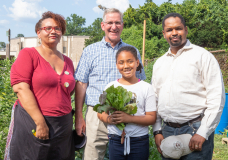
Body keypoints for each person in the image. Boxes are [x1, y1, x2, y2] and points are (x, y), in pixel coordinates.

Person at [74, 8, 146, 160]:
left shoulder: (132, 51)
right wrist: (79, 116)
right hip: (96, 112)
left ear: (122, 25)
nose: (114, 26)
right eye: (110, 23)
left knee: (125, 154)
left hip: (125, 113)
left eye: (117, 23)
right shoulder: (90, 51)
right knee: (93, 155)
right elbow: (81, 84)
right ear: (102, 25)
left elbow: (140, 82)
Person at [152, 13, 225, 160]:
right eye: (169, 30)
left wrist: (203, 132)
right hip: (167, 132)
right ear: (164, 33)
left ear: (186, 29)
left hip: (195, 131)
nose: (174, 33)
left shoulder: (202, 56)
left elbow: (216, 97)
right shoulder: (159, 63)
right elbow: (154, 99)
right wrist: (157, 131)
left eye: (178, 28)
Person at [8, 11, 75, 160]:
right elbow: (21, 88)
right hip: (35, 120)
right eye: (48, 28)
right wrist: (40, 122)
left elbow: (65, 92)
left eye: (58, 28)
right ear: (38, 32)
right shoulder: (29, 54)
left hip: (63, 124)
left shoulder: (68, 61)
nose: (54, 31)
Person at [97, 46, 156, 160]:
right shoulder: (110, 87)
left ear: (137, 63)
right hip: (116, 139)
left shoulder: (146, 88)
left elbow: (151, 118)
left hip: (139, 141)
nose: (126, 66)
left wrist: (128, 118)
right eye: (121, 62)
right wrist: (109, 119)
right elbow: (100, 112)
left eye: (130, 61)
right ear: (117, 65)